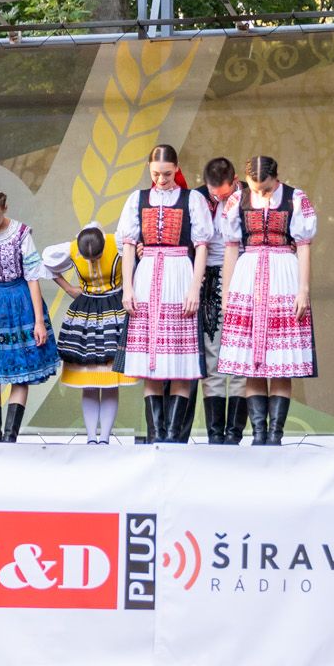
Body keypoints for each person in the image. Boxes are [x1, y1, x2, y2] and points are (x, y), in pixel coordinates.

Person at [216, 155, 317, 445]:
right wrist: (227, 293)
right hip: (248, 277)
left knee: (280, 362)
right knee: (252, 363)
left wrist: (303, 290)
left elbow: (304, 246)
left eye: (267, 188)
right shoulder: (239, 200)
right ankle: (259, 433)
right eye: (255, 187)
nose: (261, 192)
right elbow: (231, 248)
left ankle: (275, 434)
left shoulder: (295, 198)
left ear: (276, 178)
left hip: (283, 275)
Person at [117, 144, 213, 443]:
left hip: (179, 273)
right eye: (156, 173)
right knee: (151, 364)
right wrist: (128, 287)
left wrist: (195, 287)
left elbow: (202, 247)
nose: (161, 179)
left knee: (180, 362)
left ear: (177, 169)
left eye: (167, 174)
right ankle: (157, 435)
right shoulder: (137, 199)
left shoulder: (192, 199)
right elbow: (128, 246)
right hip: (146, 277)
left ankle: (172, 435)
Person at [0, 190, 56, 441]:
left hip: (20, 300)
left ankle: (10, 435)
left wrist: (39, 321)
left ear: (5, 208)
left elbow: (33, 277)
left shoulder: (21, 233)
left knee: (21, 369)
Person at [46, 222, 133, 443]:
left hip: (114, 310)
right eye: (88, 258)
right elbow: (46, 263)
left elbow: (136, 260)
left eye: (97, 256)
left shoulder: (117, 242)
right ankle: (91, 437)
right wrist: (68, 288)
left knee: (111, 379)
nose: (93, 261)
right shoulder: (71, 248)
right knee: (89, 379)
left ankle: (104, 437)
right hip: (86, 311)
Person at [192, 158, 245, 443]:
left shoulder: (250, 198)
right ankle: (215, 434)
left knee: (239, 359)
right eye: (214, 193)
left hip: (244, 277)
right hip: (210, 278)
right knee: (212, 358)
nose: (219, 199)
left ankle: (234, 432)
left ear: (235, 181)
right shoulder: (197, 198)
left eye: (223, 194)